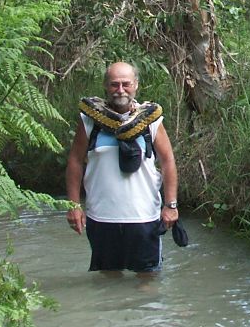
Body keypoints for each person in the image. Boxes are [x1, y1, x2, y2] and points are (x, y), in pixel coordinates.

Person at [65, 62, 179, 272]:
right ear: (105, 86)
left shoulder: (151, 121)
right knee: (108, 280)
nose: (120, 90)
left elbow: (168, 161)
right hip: (101, 218)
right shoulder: (89, 121)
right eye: (114, 84)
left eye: (125, 84)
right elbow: (75, 161)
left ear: (135, 85)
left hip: (144, 217)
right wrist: (74, 205)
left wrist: (171, 205)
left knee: (148, 282)